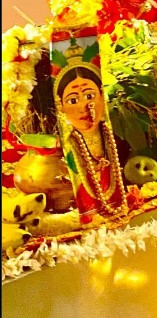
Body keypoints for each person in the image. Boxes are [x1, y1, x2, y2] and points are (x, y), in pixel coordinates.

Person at [55, 63, 127, 224]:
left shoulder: (113, 138)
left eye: (89, 96)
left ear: (101, 96)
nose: (84, 107)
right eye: (73, 100)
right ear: (61, 106)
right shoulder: (65, 150)